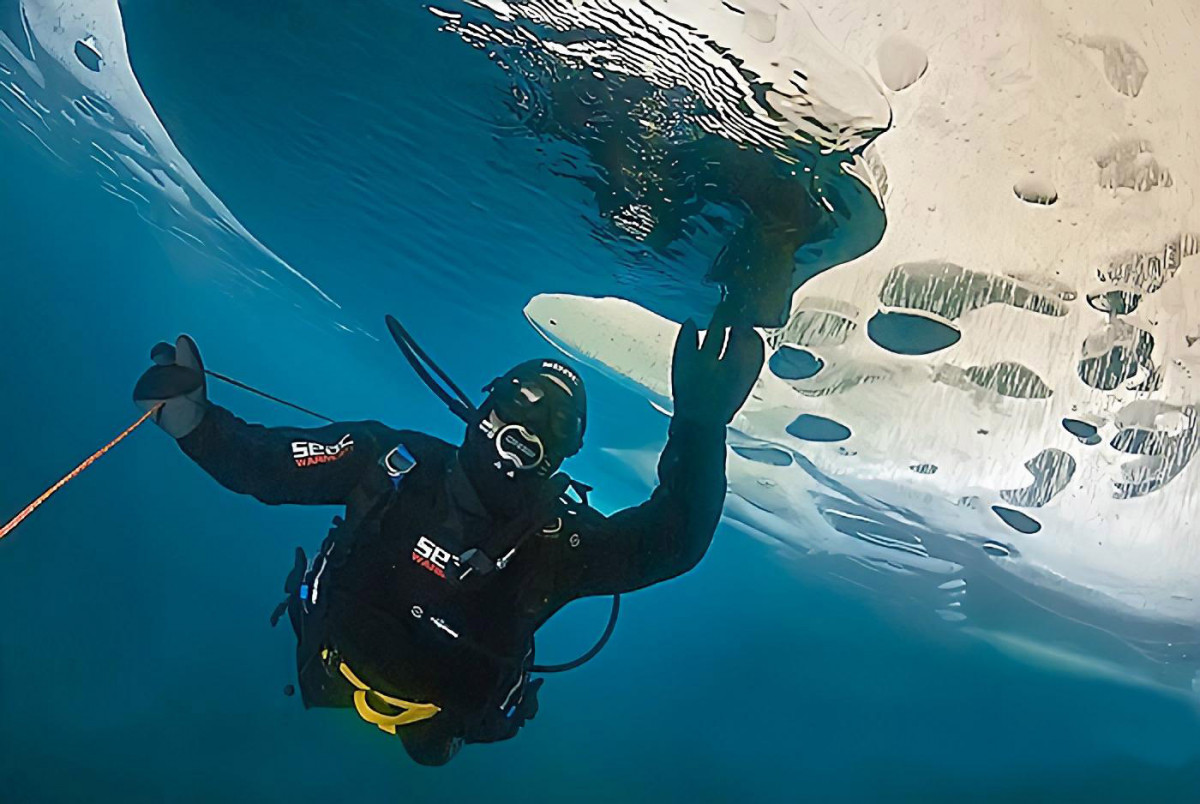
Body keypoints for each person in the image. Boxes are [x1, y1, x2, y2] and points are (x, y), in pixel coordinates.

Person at [132, 316, 763, 765]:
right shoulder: (389, 463)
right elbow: (269, 464)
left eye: (555, 425)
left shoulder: (556, 544)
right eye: (521, 401)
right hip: (335, 661)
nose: (527, 426)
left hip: (442, 715)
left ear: (565, 455)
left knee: (433, 744)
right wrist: (199, 427)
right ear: (483, 408)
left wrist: (700, 429)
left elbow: (672, 540)